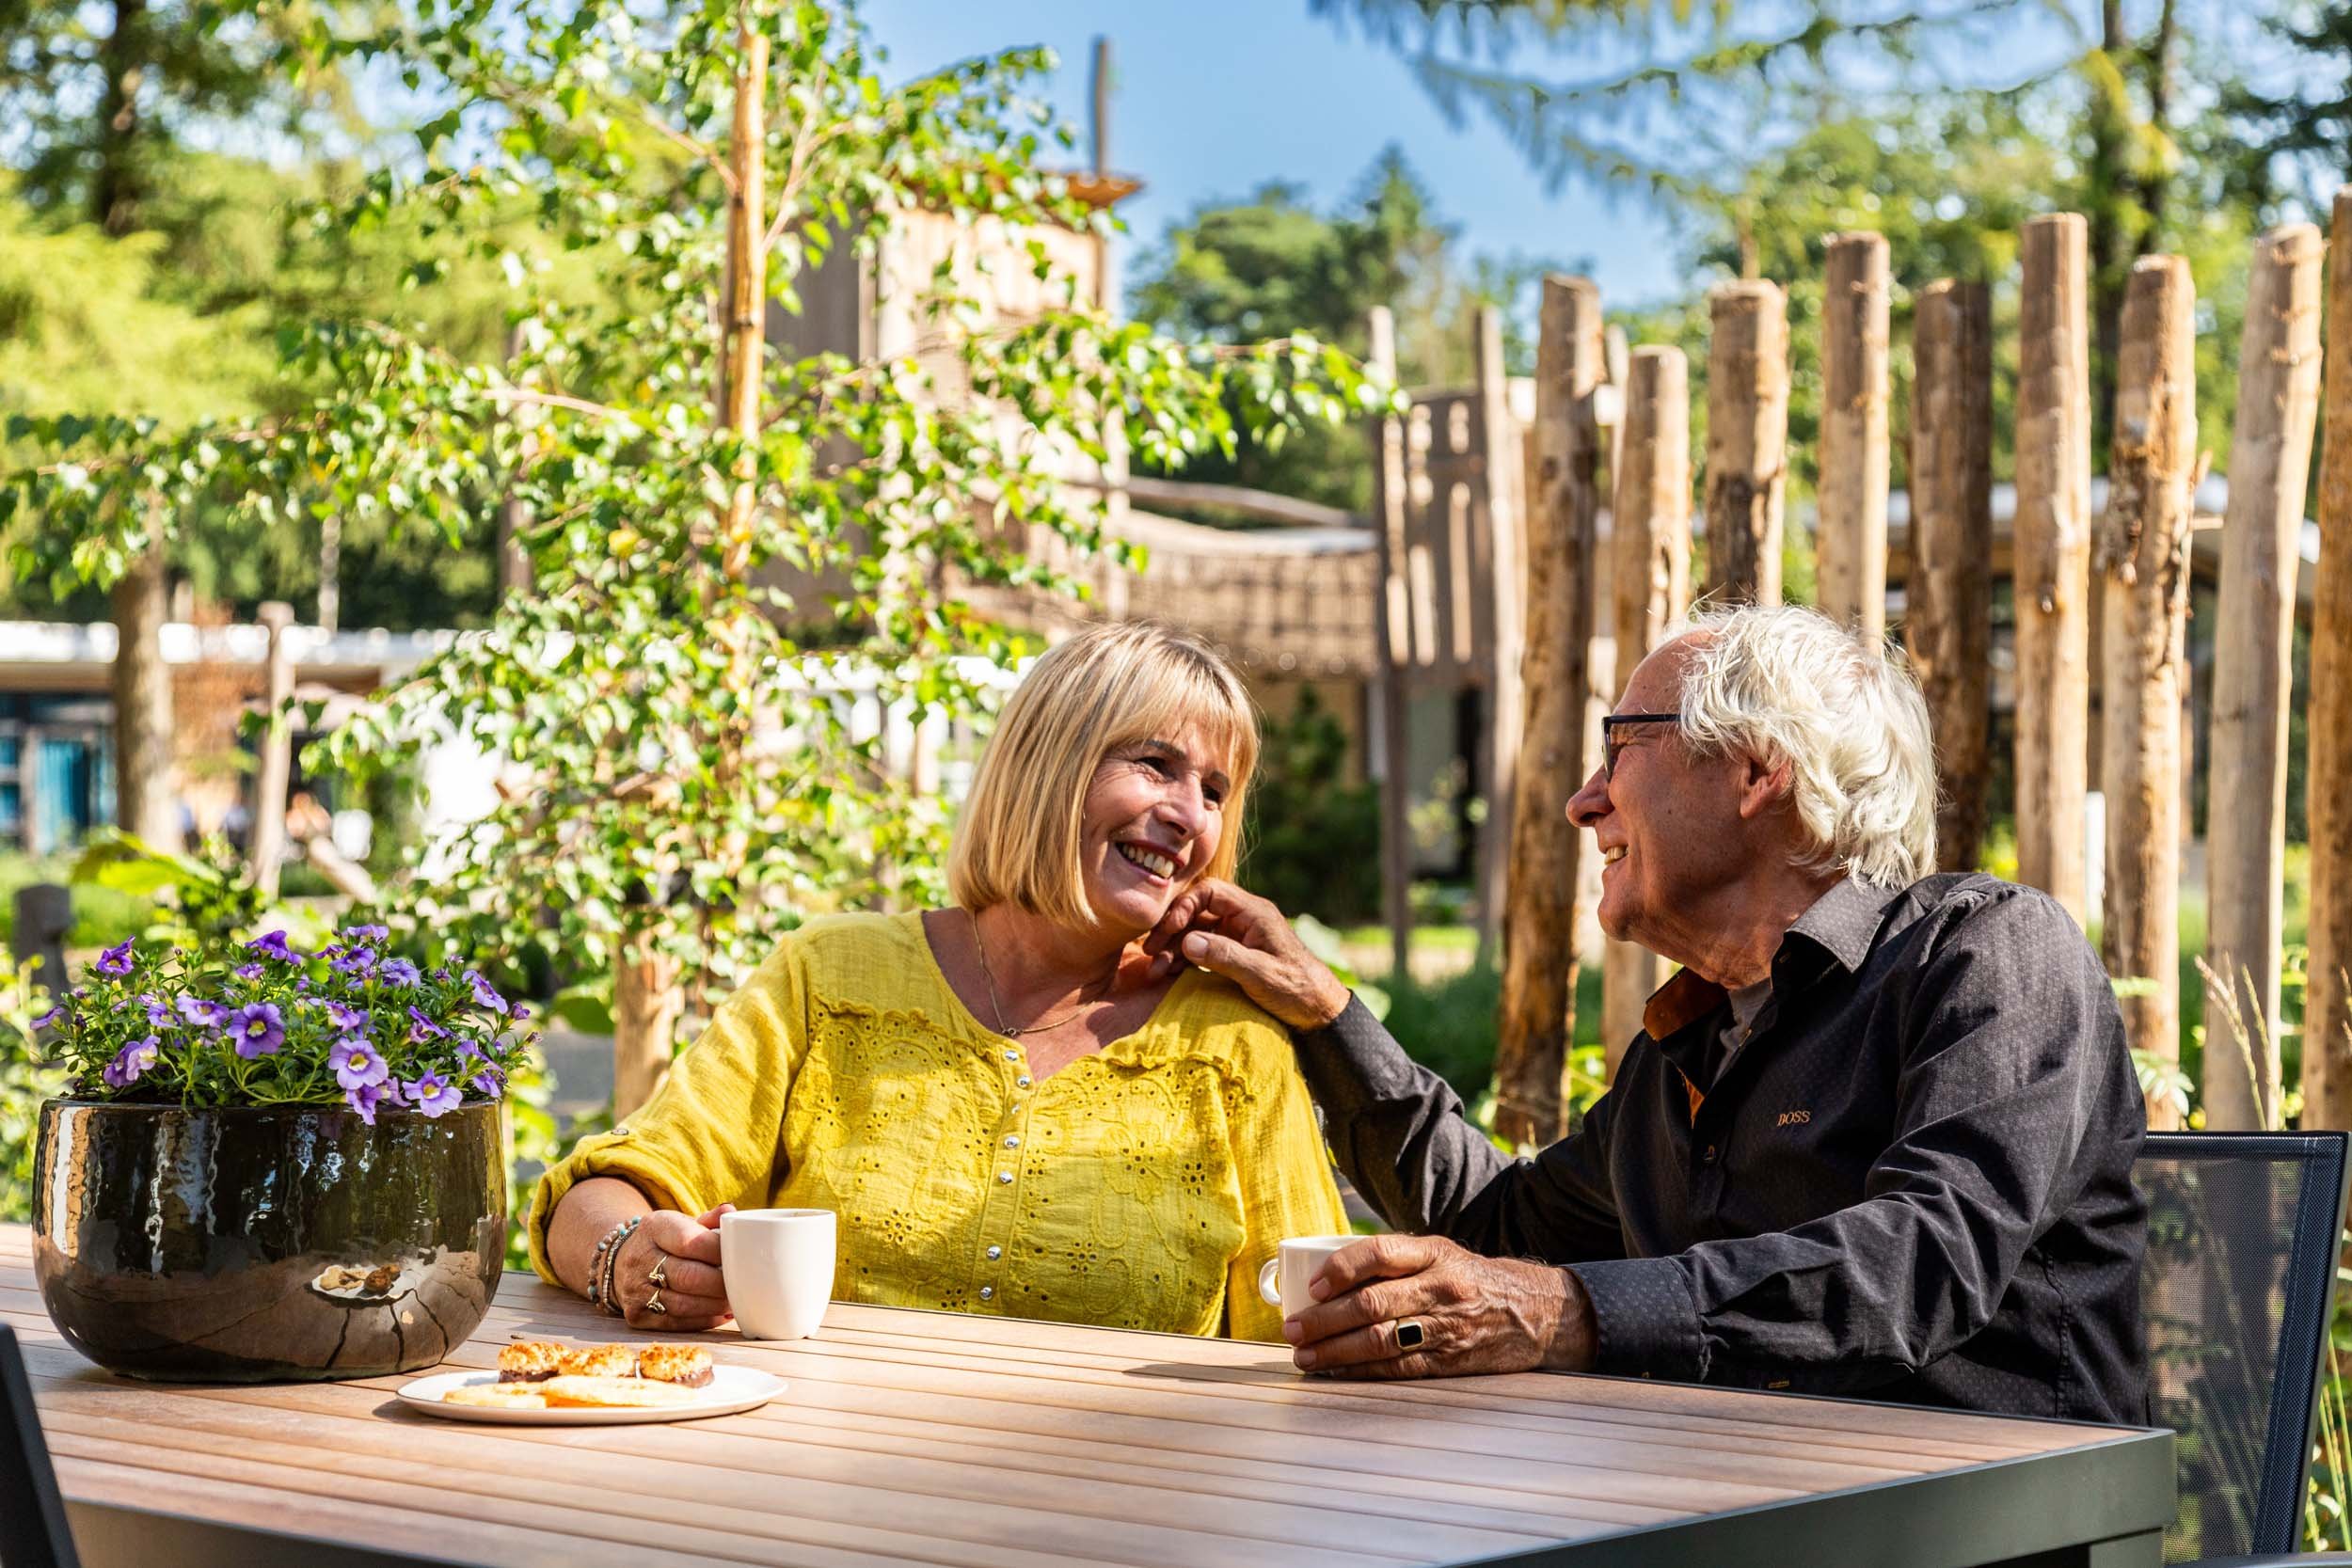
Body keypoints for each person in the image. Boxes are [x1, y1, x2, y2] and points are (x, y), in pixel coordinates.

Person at [1148, 604, 2149, 1423]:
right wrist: (1326, 1014)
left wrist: (1565, 1312)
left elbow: (1919, 1262)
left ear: (1757, 769)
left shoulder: (1983, 951)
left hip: (1985, 1520)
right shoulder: (1698, 1040)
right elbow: (1500, 1227)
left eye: (1618, 746)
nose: (1584, 801)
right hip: (1732, 1514)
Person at [531, 621, 1345, 1340]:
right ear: (1046, 765)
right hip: (818, 1487)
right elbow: (601, 1191)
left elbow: (1319, 1324)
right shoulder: (830, 976)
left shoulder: (1230, 1042)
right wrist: (628, 1256)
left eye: (1214, 791)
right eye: (1156, 764)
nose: (1191, 815)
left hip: (1124, 1501)